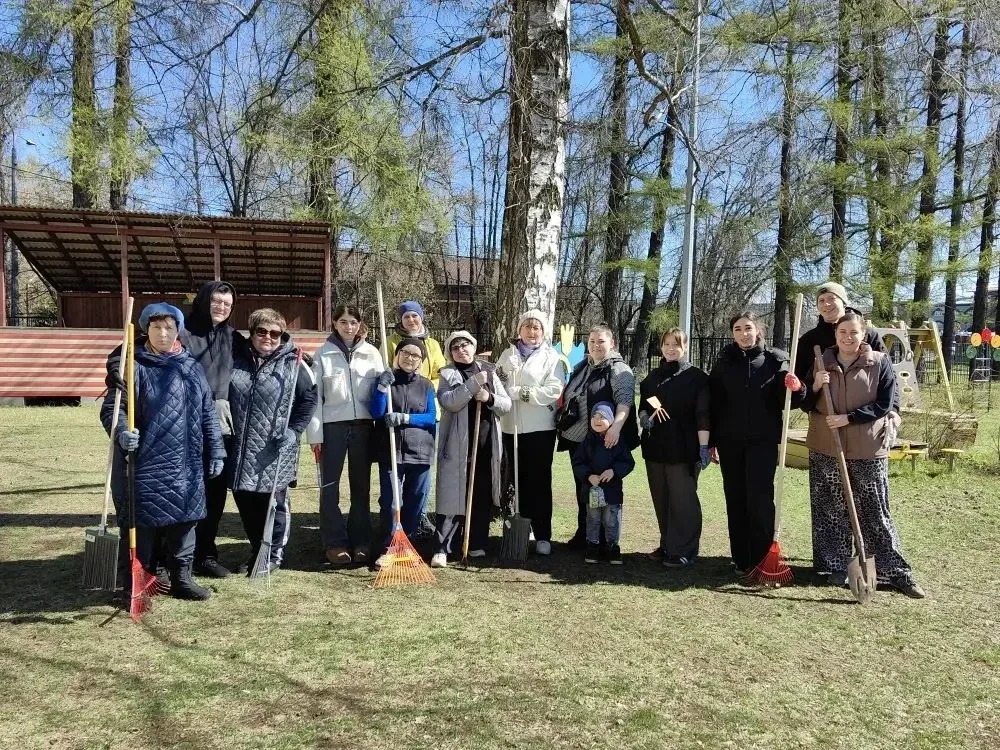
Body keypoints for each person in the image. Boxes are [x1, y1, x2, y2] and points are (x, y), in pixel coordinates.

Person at [101, 302, 225, 602]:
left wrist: (217, 450)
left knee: (186, 519)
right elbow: (113, 409)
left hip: (187, 460)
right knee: (142, 523)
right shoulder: (132, 366)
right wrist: (122, 431)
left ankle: (182, 578)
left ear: (178, 331)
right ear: (146, 330)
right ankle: (138, 580)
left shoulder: (191, 367)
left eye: (169, 327)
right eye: (156, 327)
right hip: (145, 461)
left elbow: (208, 412)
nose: (163, 333)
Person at [797, 312, 924, 598]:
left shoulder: (878, 362)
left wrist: (849, 417)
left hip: (867, 446)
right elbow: (803, 402)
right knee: (830, 509)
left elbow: (885, 402)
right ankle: (834, 566)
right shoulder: (821, 361)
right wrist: (814, 384)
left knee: (875, 510)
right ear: (835, 335)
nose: (848, 337)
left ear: (863, 334)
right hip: (826, 446)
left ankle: (893, 571)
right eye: (842, 332)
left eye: (854, 332)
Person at [227, 308, 317, 575]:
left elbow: (309, 399)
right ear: (252, 332)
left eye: (275, 333)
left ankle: (273, 554)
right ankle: (258, 550)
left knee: (273, 503)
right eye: (262, 331)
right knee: (246, 501)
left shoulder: (294, 363)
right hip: (242, 446)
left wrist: (294, 431)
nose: (268, 337)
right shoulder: (236, 359)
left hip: (275, 446)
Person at [709, 312, 800, 576]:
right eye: (737, 329)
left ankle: (762, 558)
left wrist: (797, 388)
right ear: (732, 334)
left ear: (758, 330)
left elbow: (790, 400)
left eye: (748, 328)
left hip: (762, 441)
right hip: (730, 442)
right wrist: (712, 441)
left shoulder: (776, 360)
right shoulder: (724, 362)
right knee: (735, 497)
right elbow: (714, 403)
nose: (743, 333)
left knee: (759, 498)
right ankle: (741, 559)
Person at [306, 305, 385, 567]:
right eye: (343, 322)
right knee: (329, 487)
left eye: (353, 322)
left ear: (360, 324)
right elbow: (315, 397)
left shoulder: (372, 353)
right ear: (335, 323)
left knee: (361, 487)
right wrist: (315, 435)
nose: (349, 327)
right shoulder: (324, 353)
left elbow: (381, 392)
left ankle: (361, 540)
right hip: (333, 428)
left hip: (363, 427)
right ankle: (334, 542)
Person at [432, 331, 511, 567]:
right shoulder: (447, 374)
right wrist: (472, 384)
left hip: (486, 446)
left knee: (481, 495)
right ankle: (443, 547)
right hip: (457, 447)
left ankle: (476, 542)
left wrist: (488, 398)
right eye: (455, 347)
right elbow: (449, 402)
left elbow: (505, 405)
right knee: (452, 496)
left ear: (473, 348)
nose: (461, 350)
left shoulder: (489, 372)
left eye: (465, 345)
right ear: (450, 353)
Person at [556, 324, 638, 551]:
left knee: (605, 491)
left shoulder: (618, 369)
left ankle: (604, 540)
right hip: (579, 439)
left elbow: (624, 402)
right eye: (592, 341)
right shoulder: (584, 366)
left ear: (612, 343)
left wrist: (616, 428)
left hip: (606, 442)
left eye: (601, 341)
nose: (595, 345)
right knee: (584, 487)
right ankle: (585, 533)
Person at [178, 280, 239, 579]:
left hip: (221, 426)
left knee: (214, 494)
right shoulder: (181, 332)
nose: (221, 308)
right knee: (185, 491)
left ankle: (205, 554)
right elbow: (128, 353)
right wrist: (116, 369)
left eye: (227, 304)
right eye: (216, 301)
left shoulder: (232, 337)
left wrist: (293, 352)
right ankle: (177, 556)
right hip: (184, 424)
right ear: (203, 300)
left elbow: (265, 352)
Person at [637, 328, 711, 568]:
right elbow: (645, 404)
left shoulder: (697, 378)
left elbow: (703, 415)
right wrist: (644, 417)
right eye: (666, 343)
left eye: (676, 344)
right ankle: (668, 543)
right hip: (655, 448)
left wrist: (704, 446)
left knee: (683, 501)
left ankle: (684, 550)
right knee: (662, 499)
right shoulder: (653, 377)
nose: (670, 348)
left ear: (685, 347)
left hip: (684, 449)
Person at [496, 310, 566, 556]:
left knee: (539, 481)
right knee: (517, 480)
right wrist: (506, 371)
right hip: (511, 427)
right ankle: (524, 527)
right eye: (527, 326)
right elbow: (496, 382)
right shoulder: (508, 354)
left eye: (537, 328)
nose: (532, 332)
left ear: (543, 332)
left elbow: (554, 390)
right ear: (520, 330)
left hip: (540, 429)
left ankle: (543, 533)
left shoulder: (551, 358)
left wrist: (524, 393)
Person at [370, 337, 437, 564]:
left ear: (421, 361)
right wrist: (381, 388)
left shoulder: (426, 385)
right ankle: (389, 547)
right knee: (391, 501)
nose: (410, 358)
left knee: (416, 499)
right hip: (391, 450)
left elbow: (431, 417)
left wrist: (406, 418)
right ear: (397, 355)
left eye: (416, 355)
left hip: (420, 450)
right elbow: (376, 413)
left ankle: (407, 545)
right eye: (406, 353)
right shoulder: (387, 380)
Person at [385, 300, 447, 535]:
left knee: (421, 473)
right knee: (396, 470)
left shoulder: (432, 344)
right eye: (406, 317)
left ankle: (418, 517)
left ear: (421, 317)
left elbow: (440, 373)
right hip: (397, 406)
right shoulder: (391, 342)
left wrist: (423, 385)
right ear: (401, 320)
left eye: (415, 316)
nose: (411, 320)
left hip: (425, 409)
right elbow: (386, 369)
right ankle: (392, 525)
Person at [571, 402, 635, 564]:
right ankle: (592, 546)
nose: (597, 420)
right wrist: (588, 476)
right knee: (592, 519)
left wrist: (614, 471)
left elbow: (628, 462)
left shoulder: (618, 441)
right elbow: (578, 462)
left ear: (612, 420)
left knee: (611, 519)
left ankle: (612, 547)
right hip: (591, 490)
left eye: (602, 417)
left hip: (612, 491)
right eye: (595, 416)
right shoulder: (587, 441)